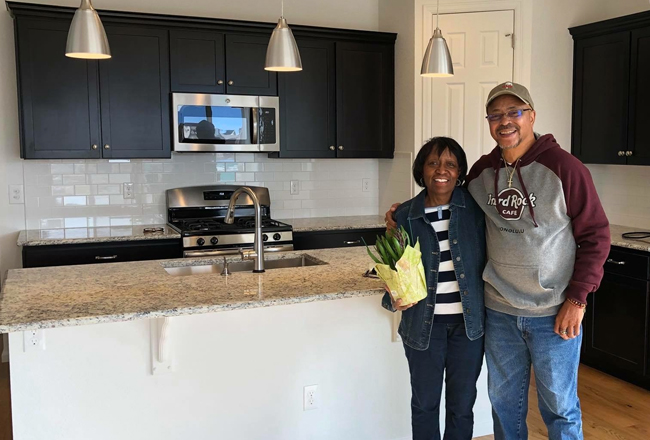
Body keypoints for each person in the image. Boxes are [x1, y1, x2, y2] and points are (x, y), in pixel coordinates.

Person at [386, 82, 610, 440]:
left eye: (514, 112)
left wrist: (577, 298)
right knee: (505, 407)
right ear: (489, 122)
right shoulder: (482, 173)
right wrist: (404, 213)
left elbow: (596, 236)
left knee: (560, 408)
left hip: (552, 312)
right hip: (499, 313)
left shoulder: (565, 168)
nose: (505, 121)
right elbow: (442, 194)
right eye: (496, 115)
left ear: (531, 116)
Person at [383, 137, 486, 440]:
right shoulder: (404, 215)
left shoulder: (475, 210)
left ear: (460, 172)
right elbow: (393, 268)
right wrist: (393, 299)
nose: (441, 170)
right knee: (424, 406)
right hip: (422, 330)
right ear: (421, 170)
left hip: (469, 329)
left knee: (462, 407)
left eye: (450, 164)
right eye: (433, 163)